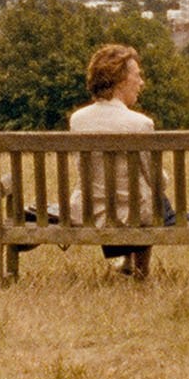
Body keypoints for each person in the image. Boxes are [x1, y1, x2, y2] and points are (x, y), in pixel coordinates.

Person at [68, 43, 160, 278]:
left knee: (120, 195)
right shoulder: (141, 124)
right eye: (137, 76)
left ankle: (126, 261)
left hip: (89, 211)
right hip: (133, 215)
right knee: (147, 198)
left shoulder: (78, 120)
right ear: (120, 81)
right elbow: (155, 178)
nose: (142, 83)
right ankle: (141, 269)